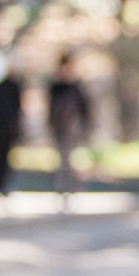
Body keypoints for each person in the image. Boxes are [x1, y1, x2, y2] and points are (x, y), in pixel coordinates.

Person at [47, 51, 90, 195]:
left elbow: (84, 106)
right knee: (62, 157)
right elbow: (51, 106)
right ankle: (62, 186)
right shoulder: (57, 86)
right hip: (60, 125)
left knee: (71, 156)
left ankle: (71, 186)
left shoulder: (76, 86)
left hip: (73, 125)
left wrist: (84, 124)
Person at [0, 65, 25, 196]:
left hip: (3, 129)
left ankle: (1, 185)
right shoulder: (6, 88)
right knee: (0, 158)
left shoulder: (12, 89)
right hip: (3, 128)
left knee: (1, 158)